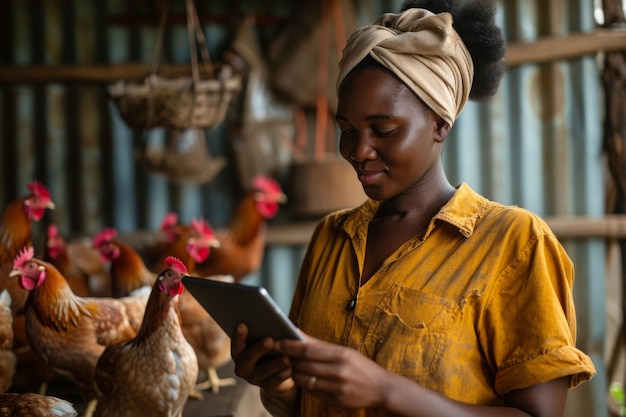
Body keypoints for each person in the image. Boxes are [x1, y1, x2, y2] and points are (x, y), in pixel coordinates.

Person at [231, 0, 597, 416]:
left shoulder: (514, 243)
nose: (358, 150)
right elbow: (308, 404)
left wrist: (387, 391)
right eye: (347, 130)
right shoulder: (332, 236)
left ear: (441, 123)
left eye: (383, 130)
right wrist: (278, 385)